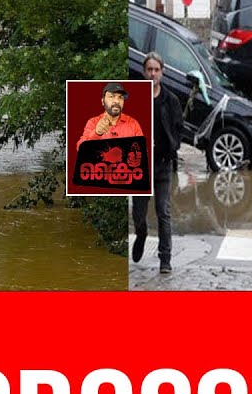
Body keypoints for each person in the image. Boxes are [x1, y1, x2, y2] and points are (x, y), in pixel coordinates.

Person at [132, 53, 184, 275]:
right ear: (144, 72)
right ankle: (141, 235)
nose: (152, 73)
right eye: (149, 69)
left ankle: (166, 258)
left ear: (162, 72)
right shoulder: (134, 98)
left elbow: (178, 129)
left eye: (156, 70)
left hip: (162, 164)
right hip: (139, 166)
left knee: (163, 211)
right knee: (139, 214)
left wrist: (172, 148)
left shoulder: (170, 100)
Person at [76, 82, 144, 149]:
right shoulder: (93, 122)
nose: (117, 101)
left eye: (120, 97)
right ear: (103, 101)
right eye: (112, 96)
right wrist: (97, 133)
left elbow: (142, 149)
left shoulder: (133, 124)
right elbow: (80, 148)